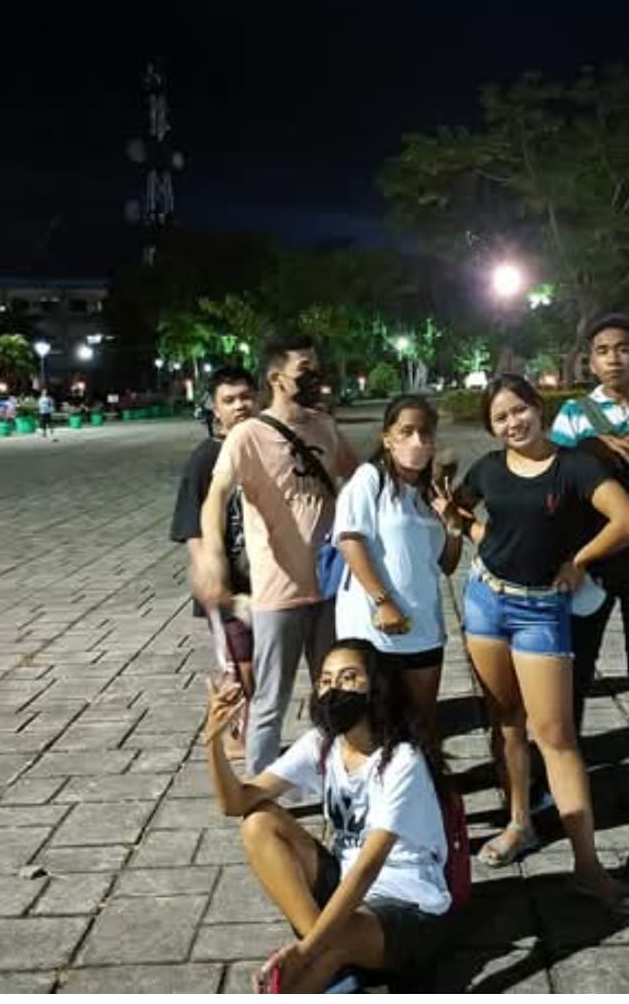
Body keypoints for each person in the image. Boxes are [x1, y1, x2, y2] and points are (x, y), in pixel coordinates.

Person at [447, 373, 629, 916]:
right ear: (491, 427)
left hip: (540, 610)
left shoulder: (573, 466)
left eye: (520, 410)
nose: (513, 423)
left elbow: (628, 522)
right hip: (485, 601)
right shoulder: (488, 468)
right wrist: (477, 535)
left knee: (556, 736)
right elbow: (457, 508)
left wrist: (578, 561)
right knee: (506, 722)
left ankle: (588, 866)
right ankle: (520, 824)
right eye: (500, 417)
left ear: (539, 408)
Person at [203, 638, 452, 993]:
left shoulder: (402, 761)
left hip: (410, 908)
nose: (335, 689)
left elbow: (368, 868)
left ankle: (330, 957)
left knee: (328, 943)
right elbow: (237, 802)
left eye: (349, 677)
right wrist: (211, 740)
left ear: (376, 688)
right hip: (349, 891)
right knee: (258, 822)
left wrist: (305, 951)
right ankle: (335, 960)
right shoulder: (321, 743)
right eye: (326, 680)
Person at [197, 334, 360, 775]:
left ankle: (335, 778)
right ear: (276, 378)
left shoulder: (324, 426)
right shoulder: (248, 435)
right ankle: (260, 790)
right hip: (279, 590)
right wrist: (213, 556)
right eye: (304, 369)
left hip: (329, 586)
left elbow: (360, 476)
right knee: (271, 698)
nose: (315, 376)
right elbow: (216, 496)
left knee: (335, 692)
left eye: (315, 367)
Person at [548, 312, 629, 836]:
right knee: (575, 675)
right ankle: (563, 784)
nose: (613, 359)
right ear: (590, 360)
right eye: (603, 351)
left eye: (623, 349)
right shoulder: (574, 414)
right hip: (593, 564)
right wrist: (594, 447)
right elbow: (554, 477)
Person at [333, 396, 463, 740]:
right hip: (376, 629)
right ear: (387, 437)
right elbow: (350, 540)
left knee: (422, 727)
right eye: (406, 431)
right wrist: (383, 601)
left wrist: (453, 526)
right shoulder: (370, 479)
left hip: (423, 629)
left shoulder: (427, 495)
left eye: (425, 432)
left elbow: (447, 565)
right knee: (375, 730)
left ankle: (425, 775)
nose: (417, 440)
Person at [171, 366, 260, 761]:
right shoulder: (205, 458)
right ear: (215, 408)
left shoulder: (264, 446)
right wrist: (207, 570)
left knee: (259, 664)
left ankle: (250, 732)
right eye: (230, 400)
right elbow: (192, 527)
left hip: (268, 580)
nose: (240, 406)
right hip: (229, 585)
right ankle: (232, 737)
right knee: (239, 666)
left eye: (246, 397)